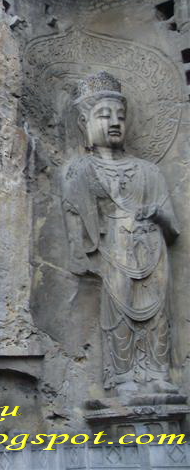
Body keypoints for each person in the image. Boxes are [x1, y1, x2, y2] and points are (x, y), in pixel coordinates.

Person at [61, 71, 180, 397]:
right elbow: (75, 223)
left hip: (153, 251)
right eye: (104, 115)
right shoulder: (80, 170)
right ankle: (122, 377)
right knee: (119, 315)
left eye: (120, 116)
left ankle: (158, 374)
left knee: (157, 316)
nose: (114, 122)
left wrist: (157, 215)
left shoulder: (149, 171)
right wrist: (83, 255)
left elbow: (172, 226)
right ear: (85, 122)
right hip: (114, 251)